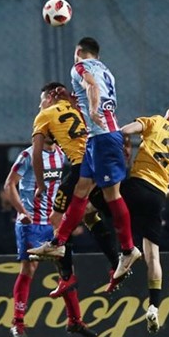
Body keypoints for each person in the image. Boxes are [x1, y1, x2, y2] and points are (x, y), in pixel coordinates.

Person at [28, 37, 140, 285]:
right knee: (82, 192)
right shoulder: (107, 71)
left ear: (79, 51)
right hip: (95, 140)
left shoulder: (79, 67)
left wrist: (92, 109)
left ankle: (128, 249)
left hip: (103, 137)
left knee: (111, 197)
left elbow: (91, 87)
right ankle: (58, 243)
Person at [26, 81, 123, 296]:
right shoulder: (77, 107)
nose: (40, 106)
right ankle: (117, 263)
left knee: (56, 219)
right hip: (98, 164)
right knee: (89, 214)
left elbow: (36, 154)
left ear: (50, 97)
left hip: (81, 169)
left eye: (41, 101)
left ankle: (66, 277)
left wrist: (40, 185)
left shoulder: (44, 115)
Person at [4, 139, 97, 337]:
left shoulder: (61, 154)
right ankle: (17, 323)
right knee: (29, 269)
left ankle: (74, 320)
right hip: (31, 223)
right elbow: (9, 184)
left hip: (54, 222)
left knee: (66, 270)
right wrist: (21, 211)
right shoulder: (28, 155)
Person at [119, 101, 169, 333]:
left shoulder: (157, 121)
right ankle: (153, 307)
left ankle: (123, 254)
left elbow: (124, 131)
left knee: (97, 202)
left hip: (137, 183)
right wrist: (160, 195)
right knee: (153, 255)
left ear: (168, 114)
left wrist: (125, 147)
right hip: (158, 196)